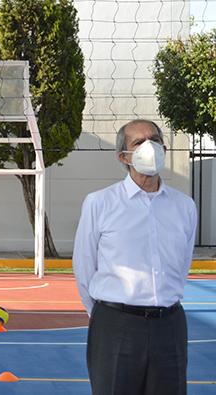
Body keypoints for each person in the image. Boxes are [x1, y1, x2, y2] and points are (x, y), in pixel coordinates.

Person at [73, 119, 197, 395]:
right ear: (123, 157)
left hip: (170, 325)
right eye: (139, 142)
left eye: (154, 140)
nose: (149, 147)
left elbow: (182, 265)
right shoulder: (100, 203)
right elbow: (84, 266)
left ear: (164, 148)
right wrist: (107, 317)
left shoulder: (185, 207)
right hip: (116, 324)